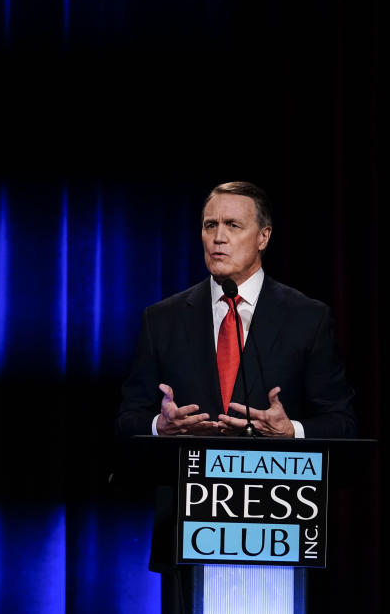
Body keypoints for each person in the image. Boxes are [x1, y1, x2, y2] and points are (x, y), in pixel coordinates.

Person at [116, 181, 355, 438]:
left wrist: (290, 431)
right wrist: (158, 426)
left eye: (233, 225)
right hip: (183, 475)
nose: (218, 237)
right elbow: (128, 418)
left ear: (263, 237)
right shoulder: (161, 319)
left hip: (269, 475)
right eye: (210, 225)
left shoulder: (308, 318)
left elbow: (341, 422)